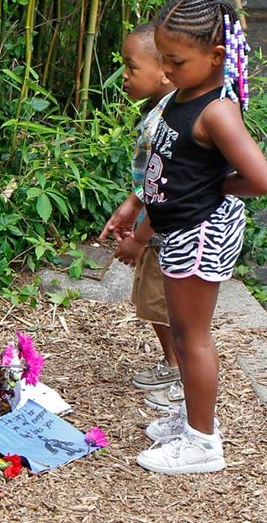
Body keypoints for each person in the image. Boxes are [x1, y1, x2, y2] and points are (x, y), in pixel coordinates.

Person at [101, 0, 267, 474]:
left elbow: (261, 179)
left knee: (192, 338)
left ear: (215, 57)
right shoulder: (183, 95)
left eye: (176, 61)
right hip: (181, 228)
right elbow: (169, 175)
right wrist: (138, 210)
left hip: (202, 234)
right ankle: (192, 420)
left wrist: (215, 185)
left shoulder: (216, 110)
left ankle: (202, 442)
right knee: (181, 334)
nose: (168, 70)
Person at [104, 22, 183, 409]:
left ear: (164, 70)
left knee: (167, 304)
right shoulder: (160, 112)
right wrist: (133, 204)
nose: (124, 76)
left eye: (131, 67)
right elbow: (150, 179)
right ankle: (174, 364)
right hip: (155, 226)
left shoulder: (170, 121)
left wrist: (139, 236)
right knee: (154, 303)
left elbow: (166, 186)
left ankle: (184, 377)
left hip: (168, 233)